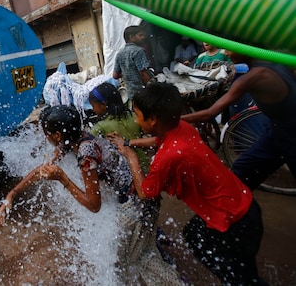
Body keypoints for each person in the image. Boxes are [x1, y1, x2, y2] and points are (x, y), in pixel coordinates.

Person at [0, 105, 182, 284]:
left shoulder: (86, 153)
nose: (45, 137)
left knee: (123, 260)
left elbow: (94, 205)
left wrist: (63, 179)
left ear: (57, 135)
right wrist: (12, 194)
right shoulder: (74, 138)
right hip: (141, 197)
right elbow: (42, 171)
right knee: (139, 253)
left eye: (46, 133)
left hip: (138, 206)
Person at [108, 82, 265, 285]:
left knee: (242, 280)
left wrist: (131, 157)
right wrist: (128, 143)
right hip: (244, 205)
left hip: (235, 222)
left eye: (136, 114)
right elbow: (158, 140)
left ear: (153, 119)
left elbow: (146, 192)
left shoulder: (167, 158)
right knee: (193, 234)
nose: (136, 120)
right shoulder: (182, 127)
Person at [181, 51, 296, 190]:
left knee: (242, 173)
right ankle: (236, 206)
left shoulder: (253, 77)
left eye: (230, 47)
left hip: (290, 136)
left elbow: (210, 113)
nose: (226, 52)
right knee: (242, 170)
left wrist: (173, 119)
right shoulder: (276, 61)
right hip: (275, 131)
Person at [88, 82, 149, 172]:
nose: (93, 109)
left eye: (93, 106)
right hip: (146, 167)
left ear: (103, 105)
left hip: (128, 173)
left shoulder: (100, 127)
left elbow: (87, 146)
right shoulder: (134, 116)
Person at [112, 25, 153, 101]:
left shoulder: (119, 54)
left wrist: (128, 72)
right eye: (140, 35)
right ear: (131, 37)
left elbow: (115, 75)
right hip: (143, 92)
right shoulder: (138, 51)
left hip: (131, 94)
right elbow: (143, 73)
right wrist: (153, 88)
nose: (143, 37)